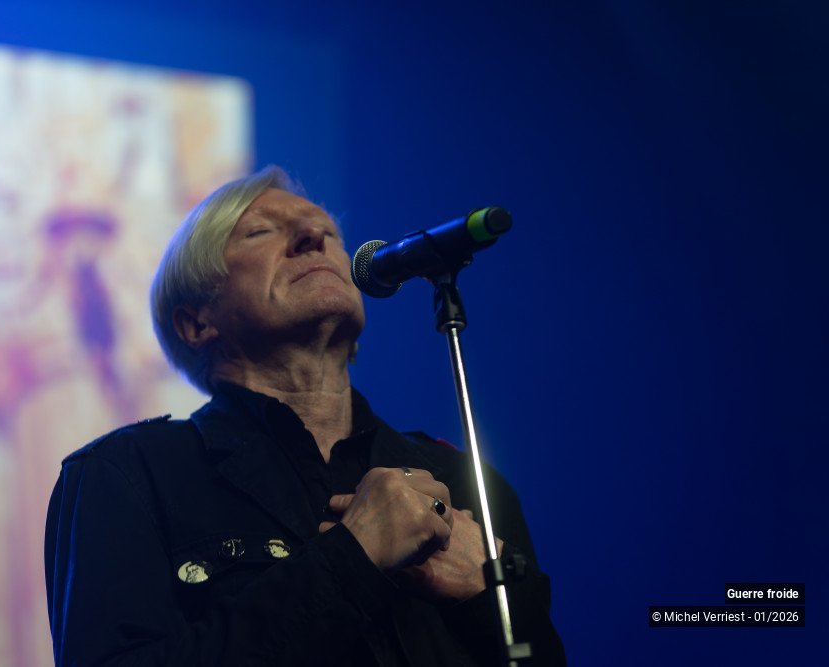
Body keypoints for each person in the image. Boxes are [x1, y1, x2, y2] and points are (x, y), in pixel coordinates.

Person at [44, 166, 566, 665]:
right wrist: (351, 559)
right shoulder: (124, 476)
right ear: (196, 322)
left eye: (328, 233)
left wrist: (487, 594)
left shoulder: (467, 481)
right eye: (261, 231)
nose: (313, 238)